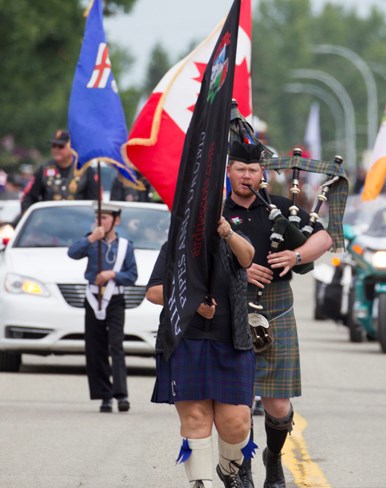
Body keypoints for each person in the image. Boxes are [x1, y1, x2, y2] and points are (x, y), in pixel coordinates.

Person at [222, 141, 333, 488]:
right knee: (237, 401)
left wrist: (294, 257)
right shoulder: (219, 212)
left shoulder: (280, 208)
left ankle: (274, 458)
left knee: (279, 404)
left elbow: (324, 239)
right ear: (229, 172)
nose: (247, 176)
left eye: (253, 170)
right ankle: (242, 467)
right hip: (232, 307)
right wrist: (240, 272)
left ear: (262, 174)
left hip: (276, 306)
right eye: (240, 169)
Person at [147, 214, 256, 488]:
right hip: (186, 341)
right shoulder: (175, 245)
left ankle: (228, 470)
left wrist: (228, 233)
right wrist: (192, 303)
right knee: (196, 417)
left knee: (237, 421)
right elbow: (153, 292)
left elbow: (248, 258)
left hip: (231, 340)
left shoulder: (233, 237)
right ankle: (200, 482)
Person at [67, 203, 138, 413]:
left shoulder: (125, 246)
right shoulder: (90, 241)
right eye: (98, 216)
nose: (101, 221)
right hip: (92, 298)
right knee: (95, 347)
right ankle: (104, 395)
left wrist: (113, 275)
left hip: (115, 300)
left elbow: (133, 276)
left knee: (116, 345)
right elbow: (72, 253)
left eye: (105, 217)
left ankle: (121, 394)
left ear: (116, 220)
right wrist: (91, 239)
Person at [20, 130, 98, 213]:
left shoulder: (85, 170)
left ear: (72, 147)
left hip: (78, 220)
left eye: (61, 146)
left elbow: (96, 200)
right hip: (50, 220)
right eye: (54, 146)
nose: (56, 149)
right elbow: (28, 196)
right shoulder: (44, 169)